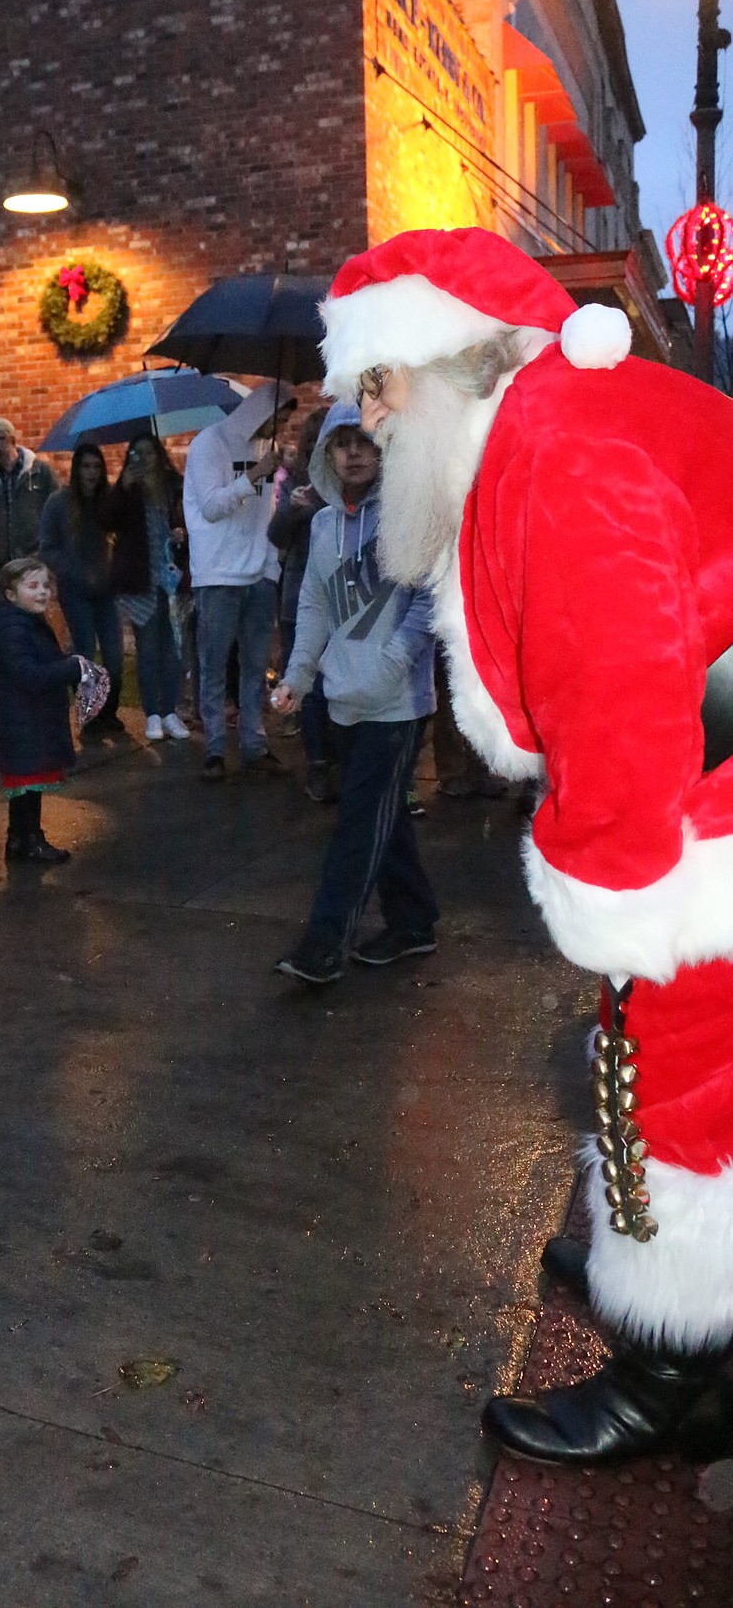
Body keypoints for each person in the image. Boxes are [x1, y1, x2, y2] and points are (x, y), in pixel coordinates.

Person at [320, 223, 733, 1466]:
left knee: (685, 1071)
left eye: (381, 384)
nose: (372, 418)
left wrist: (617, 890)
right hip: (701, 774)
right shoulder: (543, 422)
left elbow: (621, 687)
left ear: (448, 358)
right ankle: (647, 1235)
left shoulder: (553, 453)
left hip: (698, 808)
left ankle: (680, 1361)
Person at [272, 411, 438, 985]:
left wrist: (394, 663)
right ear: (326, 455)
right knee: (383, 818)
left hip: (396, 706)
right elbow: (315, 608)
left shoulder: (411, 516)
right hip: (341, 699)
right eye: (342, 444)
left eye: (365, 441)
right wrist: (298, 675)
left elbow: (428, 602)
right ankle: (415, 921)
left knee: (359, 823)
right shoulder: (320, 528)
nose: (354, 454)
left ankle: (323, 945)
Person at [183, 383, 297, 780]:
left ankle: (254, 743)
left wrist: (270, 569)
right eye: (276, 419)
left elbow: (264, 515)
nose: (278, 428)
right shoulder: (208, 444)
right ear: (258, 412)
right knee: (213, 665)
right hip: (216, 573)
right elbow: (212, 507)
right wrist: (254, 476)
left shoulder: (266, 449)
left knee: (255, 667)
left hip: (257, 576)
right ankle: (214, 746)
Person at [0, 557, 83, 864]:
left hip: (25, 721)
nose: (42, 592)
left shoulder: (23, 624)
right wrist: (70, 668)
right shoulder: (15, 630)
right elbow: (29, 675)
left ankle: (19, 838)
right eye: (33, 586)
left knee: (25, 788)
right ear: (11, 594)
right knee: (28, 786)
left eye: (46, 585)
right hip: (25, 722)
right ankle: (31, 839)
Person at [103, 433, 189, 743]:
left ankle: (170, 711)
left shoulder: (173, 486)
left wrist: (182, 532)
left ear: (159, 455)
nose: (144, 460)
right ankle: (152, 711)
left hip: (172, 578)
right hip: (140, 581)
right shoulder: (128, 489)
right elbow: (108, 522)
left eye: (149, 453)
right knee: (148, 648)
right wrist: (123, 487)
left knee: (174, 649)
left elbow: (189, 517)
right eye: (136, 454)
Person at [267, 404, 331, 799]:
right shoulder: (296, 481)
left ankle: (337, 760)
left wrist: (321, 507)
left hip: (340, 599)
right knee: (306, 688)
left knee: (334, 687)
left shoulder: (352, 485)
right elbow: (275, 536)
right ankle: (318, 765)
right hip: (298, 593)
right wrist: (292, 510)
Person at [39, 443, 124, 733]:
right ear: (77, 469)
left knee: (114, 654)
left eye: (96, 467)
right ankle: (89, 714)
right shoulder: (59, 503)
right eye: (86, 467)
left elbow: (125, 536)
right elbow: (47, 548)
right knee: (85, 653)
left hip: (107, 590)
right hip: (75, 591)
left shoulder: (110, 500)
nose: (91, 473)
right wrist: (73, 571)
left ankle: (110, 711)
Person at [0, 416, 57, 582]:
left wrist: (45, 553)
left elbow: (57, 514)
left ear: (9, 440)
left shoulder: (40, 472)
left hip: (33, 563)